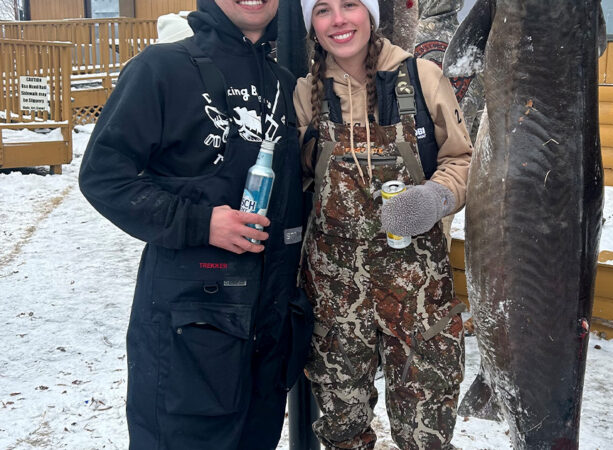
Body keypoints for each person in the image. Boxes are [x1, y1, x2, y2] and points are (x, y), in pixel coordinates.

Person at [78, 0, 312, 448]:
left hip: (266, 332)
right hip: (187, 333)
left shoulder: (283, 84)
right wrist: (200, 223)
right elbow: (103, 176)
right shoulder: (162, 68)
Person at [293, 0, 473, 448]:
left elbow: (463, 159)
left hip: (417, 294)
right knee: (341, 432)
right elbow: (292, 183)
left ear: (370, 14)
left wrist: (436, 196)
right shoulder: (304, 94)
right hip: (336, 300)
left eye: (350, 4)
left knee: (426, 433)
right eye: (322, 10)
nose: (338, 20)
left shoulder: (420, 77)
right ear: (311, 26)